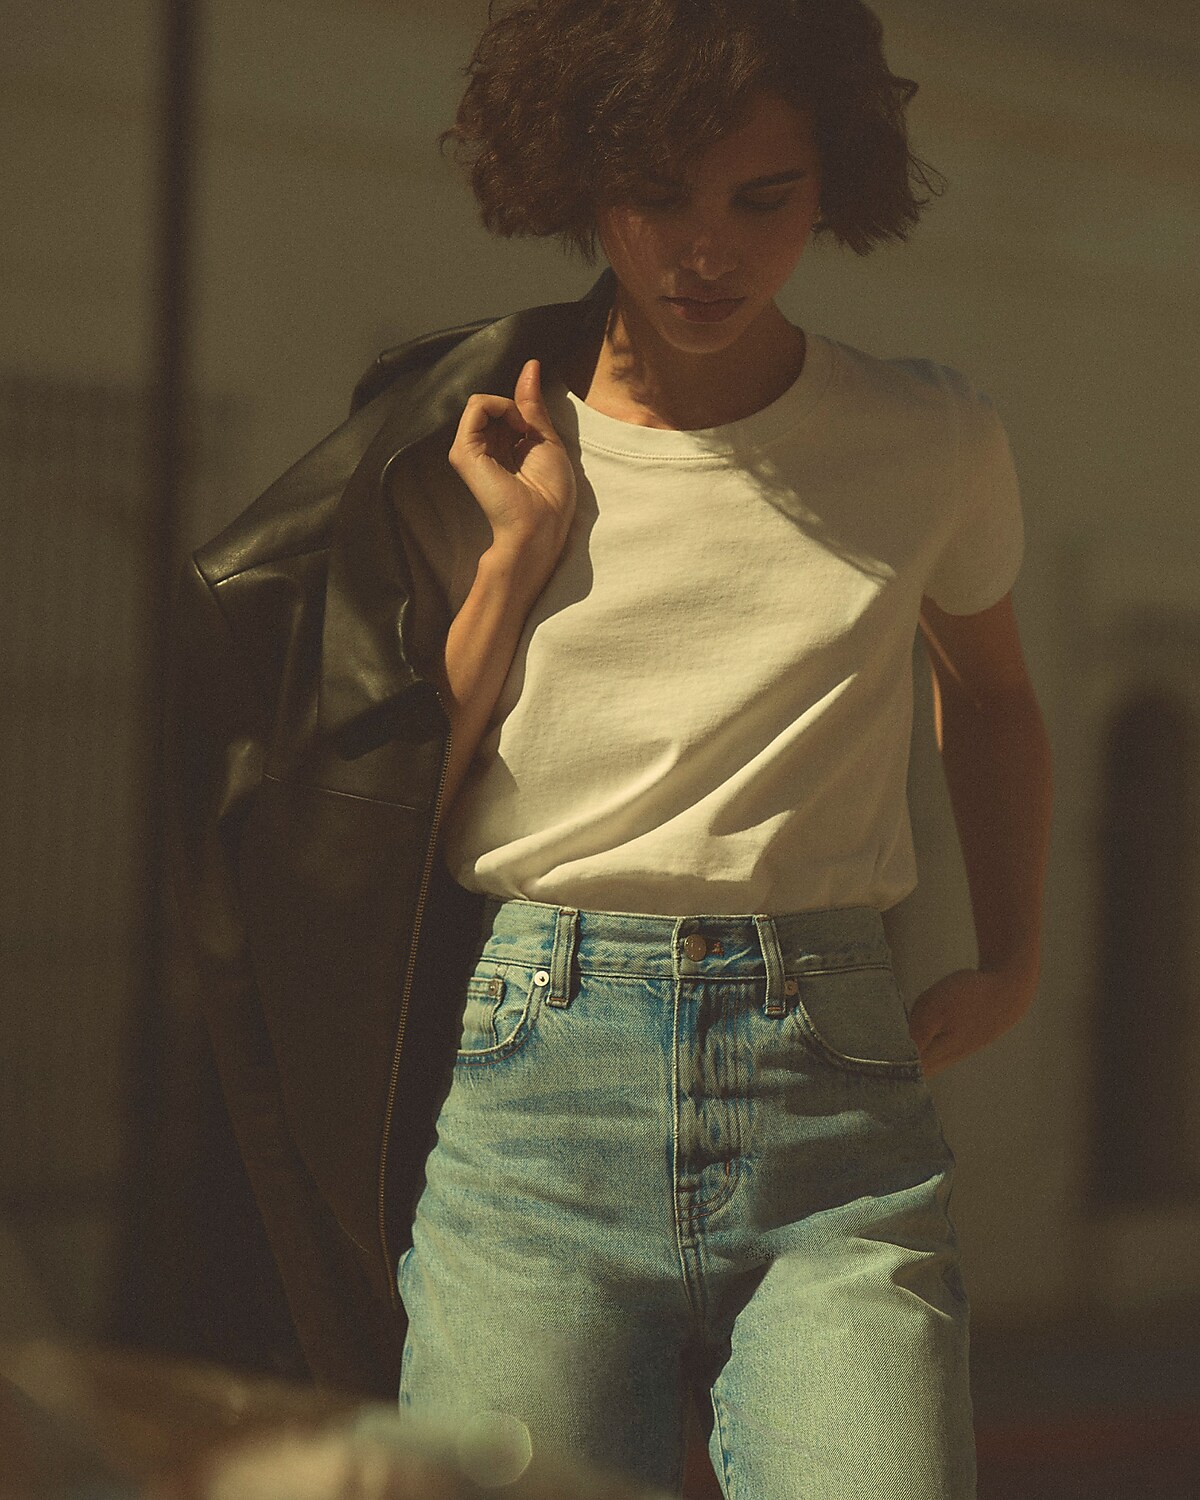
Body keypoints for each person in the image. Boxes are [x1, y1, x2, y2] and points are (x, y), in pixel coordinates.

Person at [167, 0, 1053, 1495]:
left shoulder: (930, 442)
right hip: (533, 1104)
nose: (704, 246)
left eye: (758, 199)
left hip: (834, 1106)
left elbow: (997, 689)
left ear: (831, 181)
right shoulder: (470, 443)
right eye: (656, 195)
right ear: (584, 181)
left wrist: (1017, 953)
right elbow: (381, 823)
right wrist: (514, 563)